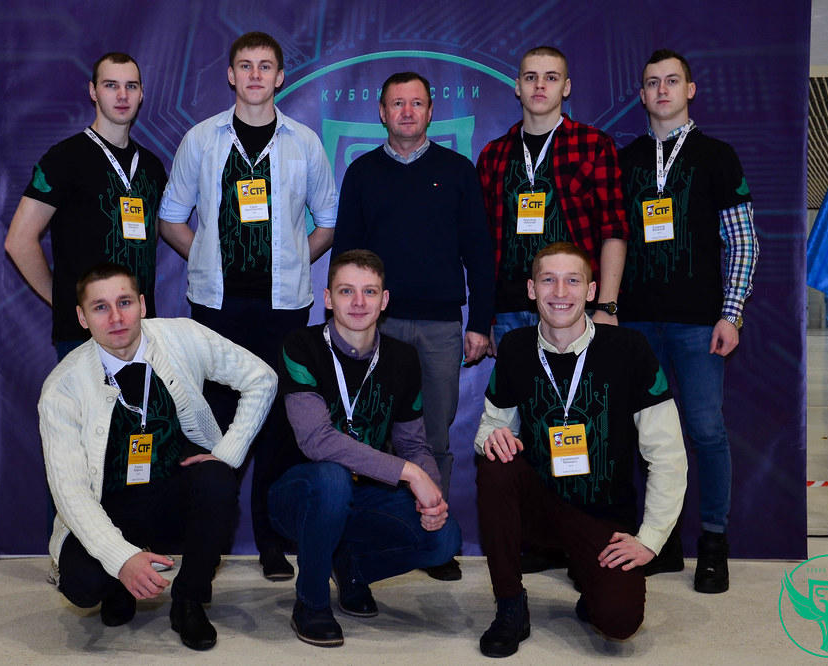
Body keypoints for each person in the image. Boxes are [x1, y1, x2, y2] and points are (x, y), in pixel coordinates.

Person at [157, 31, 339, 581]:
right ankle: (206, 548)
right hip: (216, 308)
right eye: (245, 65)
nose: (255, 75)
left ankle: (270, 542)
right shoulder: (201, 139)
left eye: (265, 66)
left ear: (280, 76)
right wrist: (207, 258)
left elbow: (327, 223)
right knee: (212, 421)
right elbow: (170, 218)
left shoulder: (304, 142)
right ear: (231, 75)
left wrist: (291, 263)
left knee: (278, 425)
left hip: (283, 310)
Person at [39, 262, 276, 651]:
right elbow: (70, 490)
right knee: (83, 585)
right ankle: (119, 584)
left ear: (143, 304)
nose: (116, 318)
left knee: (217, 480)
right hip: (109, 507)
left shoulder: (181, 336)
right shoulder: (62, 388)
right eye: (100, 307)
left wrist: (227, 454)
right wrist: (121, 558)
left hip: (169, 493)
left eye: (124, 302)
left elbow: (261, 378)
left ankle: (189, 601)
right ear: (82, 317)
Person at [474, 243, 686, 656]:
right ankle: (510, 604)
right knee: (495, 464)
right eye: (548, 280)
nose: (560, 292)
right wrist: (491, 438)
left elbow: (668, 454)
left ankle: (591, 580)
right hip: (540, 506)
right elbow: (491, 425)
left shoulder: (630, 349)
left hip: (602, 517)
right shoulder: (516, 347)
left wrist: (650, 538)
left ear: (591, 291)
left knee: (619, 622)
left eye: (573, 280)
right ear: (532, 289)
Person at [331, 71, 495, 581]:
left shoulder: (457, 170)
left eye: (416, 103)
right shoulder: (362, 172)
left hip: (441, 326)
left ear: (430, 112)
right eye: (397, 103)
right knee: (373, 437)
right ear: (381, 112)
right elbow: (345, 257)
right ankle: (378, 535)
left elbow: (480, 254)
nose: (407, 112)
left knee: (434, 435)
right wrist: (344, 323)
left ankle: (433, 541)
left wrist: (480, 322)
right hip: (374, 329)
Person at [618, 49, 759, 593]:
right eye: (652, 82)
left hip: (700, 323)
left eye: (672, 81)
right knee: (645, 435)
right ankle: (663, 540)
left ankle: (714, 543)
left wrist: (732, 313)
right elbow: (612, 241)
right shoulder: (625, 159)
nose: (662, 90)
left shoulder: (717, 156)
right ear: (641, 94)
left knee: (705, 430)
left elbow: (742, 241)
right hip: (635, 324)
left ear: (690, 89)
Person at [268, 250, 462, 647]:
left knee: (444, 539)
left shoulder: (403, 358)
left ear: (384, 300)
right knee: (332, 477)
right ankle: (311, 602)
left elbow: (413, 444)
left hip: (365, 496)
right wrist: (410, 473)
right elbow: (316, 440)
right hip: (300, 497)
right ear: (328, 298)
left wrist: (431, 495)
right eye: (346, 291)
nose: (358, 302)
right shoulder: (301, 345)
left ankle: (350, 565)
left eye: (369, 291)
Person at [5, 52, 168, 360]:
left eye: (131, 86)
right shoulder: (64, 158)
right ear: (93, 91)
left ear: (142, 94)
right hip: (82, 335)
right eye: (111, 85)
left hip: (141, 332)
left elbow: (152, 236)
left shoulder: (152, 166)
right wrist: (65, 300)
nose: (122, 95)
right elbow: (18, 241)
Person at [476, 46, 628, 349]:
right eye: (530, 77)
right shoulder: (493, 154)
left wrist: (607, 306)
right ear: (518, 87)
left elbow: (614, 230)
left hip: (575, 306)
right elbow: (482, 242)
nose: (540, 85)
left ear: (566, 87)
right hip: (508, 310)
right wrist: (485, 317)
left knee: (580, 383)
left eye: (551, 77)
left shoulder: (594, 145)